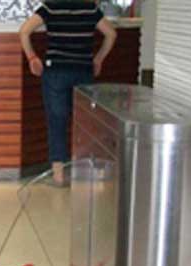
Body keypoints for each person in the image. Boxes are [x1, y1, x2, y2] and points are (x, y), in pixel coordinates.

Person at [19, 1, 117, 185]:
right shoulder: (90, 8)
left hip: (56, 72)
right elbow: (111, 33)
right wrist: (98, 59)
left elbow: (24, 31)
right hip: (83, 72)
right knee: (85, 123)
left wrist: (32, 57)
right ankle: (86, 172)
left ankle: (59, 175)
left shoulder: (51, 7)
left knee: (57, 122)